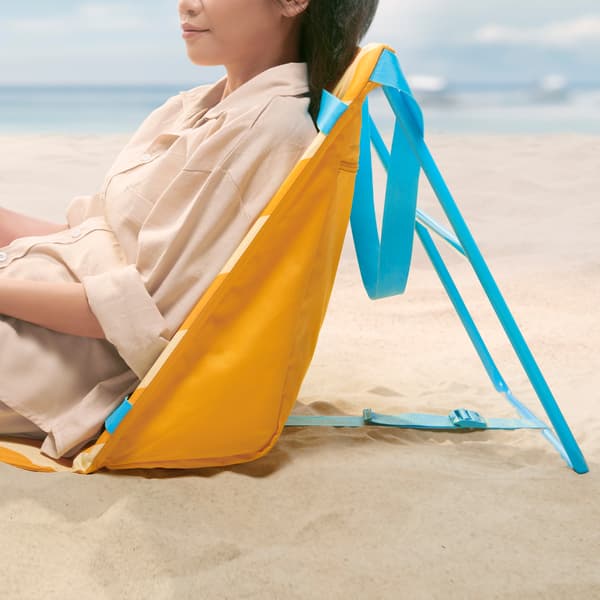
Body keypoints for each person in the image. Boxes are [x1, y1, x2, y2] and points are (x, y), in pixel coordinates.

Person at [0, 0, 380, 459]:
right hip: (34, 306)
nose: (186, 4)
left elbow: (138, 317)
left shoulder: (268, 130)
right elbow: (89, 236)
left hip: (60, 362)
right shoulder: (193, 108)